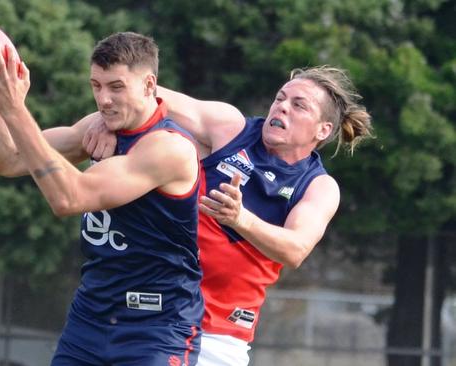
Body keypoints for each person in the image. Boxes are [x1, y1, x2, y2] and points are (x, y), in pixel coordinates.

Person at [83, 65, 374, 365]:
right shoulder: (231, 129)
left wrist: (240, 218)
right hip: (155, 314)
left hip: (218, 335)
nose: (282, 107)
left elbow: (295, 249)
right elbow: (144, 94)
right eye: (280, 98)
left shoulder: (319, 186)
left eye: (298, 105)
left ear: (322, 130)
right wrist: (111, 119)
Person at [0, 32, 202, 365]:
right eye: (96, 85)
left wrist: (15, 109)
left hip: (155, 326)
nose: (103, 99)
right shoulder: (97, 125)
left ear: (149, 86)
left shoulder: (169, 148)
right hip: (90, 318)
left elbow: (69, 198)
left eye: (116, 87)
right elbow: (5, 159)